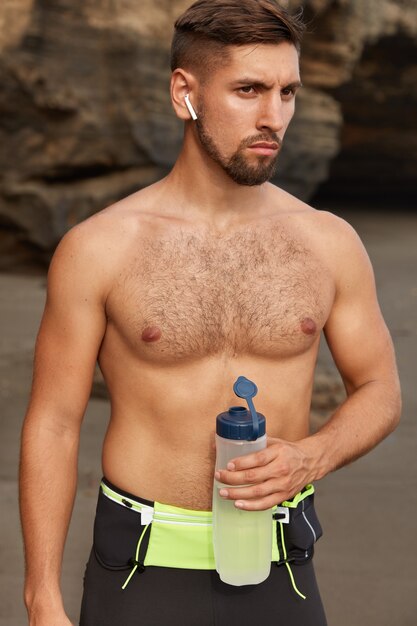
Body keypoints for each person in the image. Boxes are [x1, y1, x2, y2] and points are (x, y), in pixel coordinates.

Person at [19, 1, 401, 625]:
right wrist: (42, 599)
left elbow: (381, 388)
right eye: (248, 90)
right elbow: (54, 425)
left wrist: (315, 455)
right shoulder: (100, 248)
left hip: (280, 566)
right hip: (139, 572)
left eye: (287, 93)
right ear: (184, 94)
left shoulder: (327, 242)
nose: (272, 116)